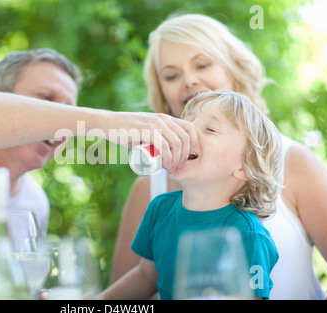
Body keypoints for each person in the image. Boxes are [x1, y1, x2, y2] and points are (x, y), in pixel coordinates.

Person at [0, 48, 198, 286]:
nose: (62, 124)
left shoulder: (35, 203)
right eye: (45, 101)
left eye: (68, 111)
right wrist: (108, 123)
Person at [110, 14, 327, 300]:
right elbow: (136, 283)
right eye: (171, 75)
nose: (188, 80)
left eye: (203, 64)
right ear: (163, 94)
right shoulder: (151, 192)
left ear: (234, 70)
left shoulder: (295, 162)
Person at [100, 90, 282, 300]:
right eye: (186, 123)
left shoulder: (247, 235)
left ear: (246, 167)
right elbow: (147, 275)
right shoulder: (159, 209)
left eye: (210, 129)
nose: (186, 132)